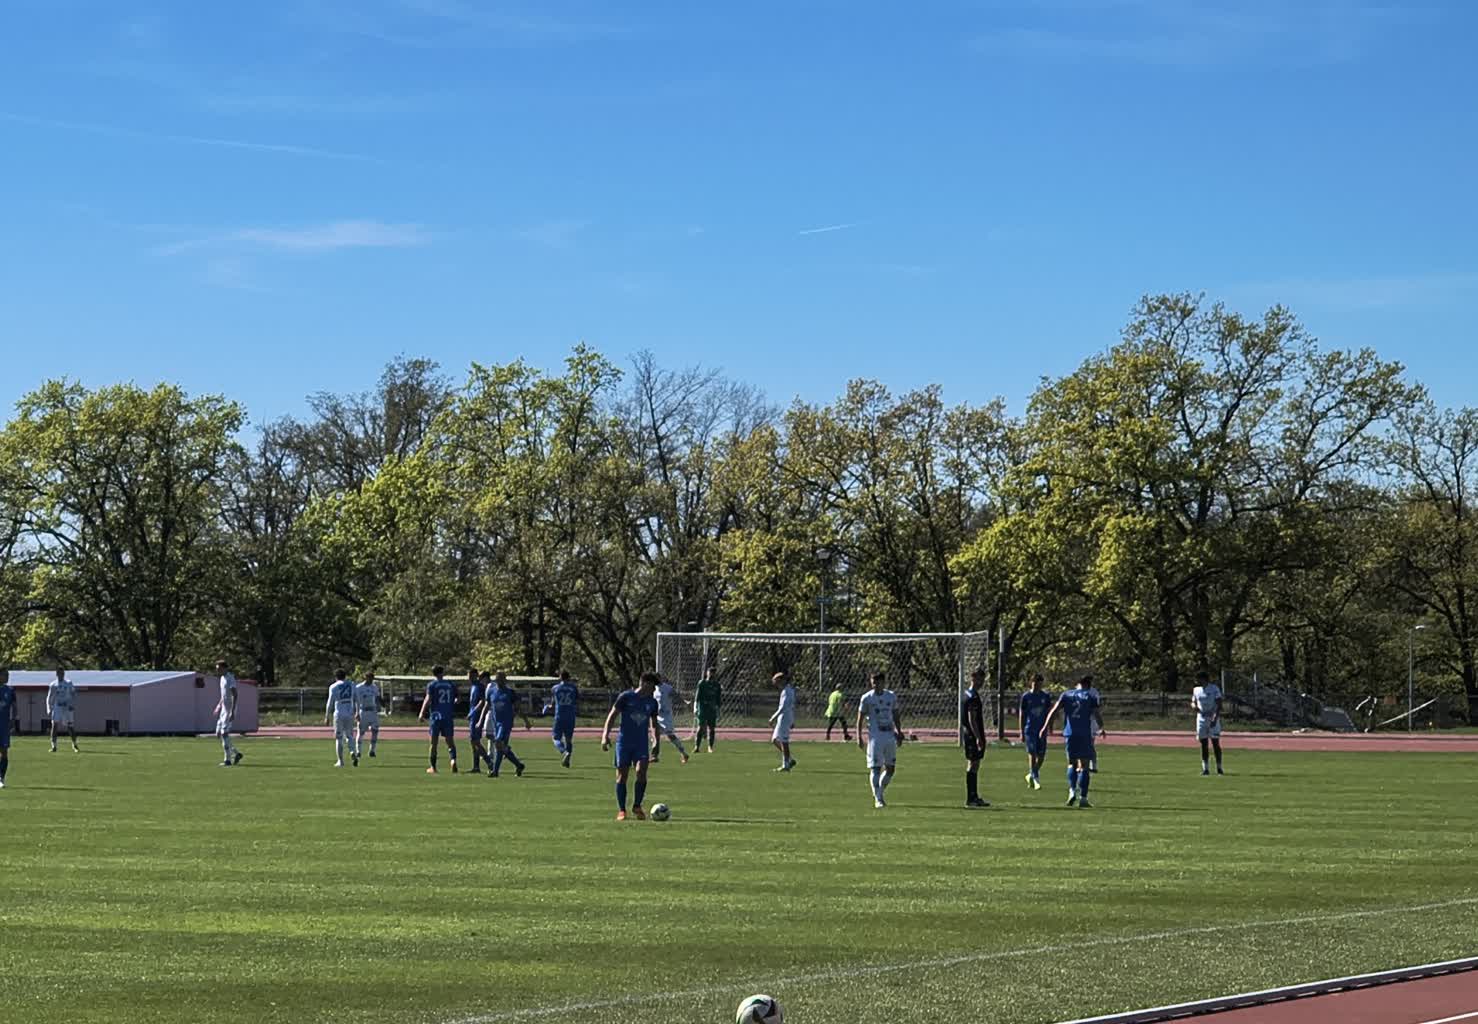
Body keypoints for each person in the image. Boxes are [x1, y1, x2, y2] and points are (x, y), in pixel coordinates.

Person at [600, 672, 660, 821]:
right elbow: (612, 715)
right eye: (654, 686)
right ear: (645, 683)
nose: (655, 690)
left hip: (641, 743)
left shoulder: (652, 703)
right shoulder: (626, 697)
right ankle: (622, 810)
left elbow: (654, 723)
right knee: (622, 775)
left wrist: (656, 741)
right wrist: (605, 736)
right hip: (624, 742)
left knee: (641, 771)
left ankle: (637, 806)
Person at [1041, 676, 1103, 808]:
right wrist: (1101, 727)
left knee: (1071, 764)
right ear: (1088, 685)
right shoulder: (1089, 696)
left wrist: (1045, 727)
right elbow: (1096, 714)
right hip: (1084, 733)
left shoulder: (1067, 695)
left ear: (1077, 684)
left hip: (1070, 733)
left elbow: (1053, 711)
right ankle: (1083, 798)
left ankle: (1071, 791)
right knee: (1085, 765)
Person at [856, 672, 902, 809]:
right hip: (875, 737)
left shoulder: (891, 696)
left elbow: (895, 714)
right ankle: (878, 798)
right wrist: (859, 736)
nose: (875, 684)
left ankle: (879, 793)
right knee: (876, 768)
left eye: (878, 682)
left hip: (889, 736)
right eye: (873, 682)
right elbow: (860, 718)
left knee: (891, 769)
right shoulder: (866, 698)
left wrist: (899, 732)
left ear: (883, 682)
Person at [480, 671, 532, 778]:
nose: (500, 681)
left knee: (498, 743)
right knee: (501, 747)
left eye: (502, 679)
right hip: (496, 723)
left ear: (505, 680)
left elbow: (518, 708)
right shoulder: (491, 692)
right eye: (498, 679)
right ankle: (518, 765)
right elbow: (487, 706)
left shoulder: (510, 693)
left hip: (506, 723)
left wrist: (526, 721)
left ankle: (495, 771)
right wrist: (480, 721)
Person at [417, 665, 458, 774]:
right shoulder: (450, 684)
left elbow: (428, 699)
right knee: (450, 742)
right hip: (448, 716)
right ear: (442, 672)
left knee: (433, 743)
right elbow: (457, 699)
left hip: (436, 717)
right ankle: (453, 760)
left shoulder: (432, 685)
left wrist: (421, 713)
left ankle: (433, 767)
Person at [1019, 673, 1053, 789]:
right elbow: (1022, 714)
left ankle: (1031, 775)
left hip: (1041, 730)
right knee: (1032, 753)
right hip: (1030, 729)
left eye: (1039, 683)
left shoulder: (1045, 697)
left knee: (1041, 756)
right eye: (1035, 682)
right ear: (1031, 683)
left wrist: (1050, 727)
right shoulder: (1026, 697)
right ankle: (1036, 777)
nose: (1037, 685)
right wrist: (1021, 731)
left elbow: (1049, 713)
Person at [961, 668, 989, 808]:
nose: (981, 682)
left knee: (974, 764)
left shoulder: (969, 694)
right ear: (973, 678)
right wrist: (978, 737)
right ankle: (971, 798)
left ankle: (973, 796)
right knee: (973, 764)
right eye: (979, 679)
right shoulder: (971, 696)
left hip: (971, 733)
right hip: (972, 734)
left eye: (983, 679)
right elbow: (972, 719)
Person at [1191, 669, 1225, 776]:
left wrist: (1215, 718)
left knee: (1215, 743)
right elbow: (1193, 701)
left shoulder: (1214, 688)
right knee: (1203, 743)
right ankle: (1205, 769)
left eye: (1198, 679)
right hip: (1201, 718)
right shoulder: (1196, 690)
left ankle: (1219, 768)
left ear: (1203, 679)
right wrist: (1194, 706)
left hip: (1212, 717)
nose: (1197, 681)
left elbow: (1219, 704)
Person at [651, 676, 689, 764]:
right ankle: (654, 756)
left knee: (670, 736)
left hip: (666, 716)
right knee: (655, 735)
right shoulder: (654, 689)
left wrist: (684, 701)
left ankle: (683, 753)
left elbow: (676, 695)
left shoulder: (667, 688)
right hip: (657, 716)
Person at [213, 660, 244, 767]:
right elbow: (224, 695)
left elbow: (235, 695)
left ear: (225, 668)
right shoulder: (221, 679)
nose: (217, 671)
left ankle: (227, 760)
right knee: (218, 733)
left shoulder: (230, 678)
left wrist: (232, 712)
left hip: (229, 709)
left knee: (224, 734)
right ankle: (236, 753)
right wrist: (218, 705)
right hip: (223, 709)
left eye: (219, 669)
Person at [325, 669, 357, 767]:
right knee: (349, 735)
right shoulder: (351, 684)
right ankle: (352, 752)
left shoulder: (333, 686)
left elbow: (330, 702)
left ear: (336, 677)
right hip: (349, 712)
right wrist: (356, 711)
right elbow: (356, 698)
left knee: (339, 738)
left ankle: (340, 761)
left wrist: (327, 715)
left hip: (339, 713)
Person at [547, 669, 579, 767]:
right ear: (569, 677)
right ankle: (567, 760)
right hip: (570, 716)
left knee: (556, 738)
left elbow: (552, 704)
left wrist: (547, 707)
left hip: (559, 715)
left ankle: (564, 752)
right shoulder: (574, 688)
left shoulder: (555, 688)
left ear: (560, 677)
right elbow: (576, 700)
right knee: (568, 739)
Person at [768, 671, 797, 772]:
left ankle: (785, 765)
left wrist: (772, 717)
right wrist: (792, 720)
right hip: (785, 717)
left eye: (776, 682)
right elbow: (791, 707)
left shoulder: (787, 691)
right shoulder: (788, 690)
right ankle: (789, 759)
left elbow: (783, 707)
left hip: (784, 718)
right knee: (775, 740)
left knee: (784, 742)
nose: (776, 685)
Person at [47, 667, 79, 753]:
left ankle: (75, 745)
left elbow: (73, 694)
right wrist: (49, 708)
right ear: (57, 674)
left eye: (63, 673)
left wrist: (72, 704)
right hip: (57, 706)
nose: (61, 675)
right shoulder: (53, 684)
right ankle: (54, 746)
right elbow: (49, 697)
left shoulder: (68, 683)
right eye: (59, 673)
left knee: (70, 726)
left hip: (67, 707)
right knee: (54, 725)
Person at [691, 667, 721, 753]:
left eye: (713, 673)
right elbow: (697, 696)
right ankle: (697, 747)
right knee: (700, 727)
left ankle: (710, 747)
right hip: (703, 707)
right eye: (710, 672)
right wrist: (695, 707)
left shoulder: (717, 685)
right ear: (707, 673)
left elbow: (718, 698)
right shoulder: (702, 683)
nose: (711, 674)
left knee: (712, 728)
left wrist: (718, 709)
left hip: (712, 708)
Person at [354, 671, 382, 759]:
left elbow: (377, 698)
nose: (371, 680)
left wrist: (381, 706)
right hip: (363, 711)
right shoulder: (359, 688)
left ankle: (372, 750)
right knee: (361, 732)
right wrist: (357, 712)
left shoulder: (374, 687)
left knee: (375, 731)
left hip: (373, 711)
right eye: (369, 678)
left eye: (372, 679)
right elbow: (356, 701)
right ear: (365, 678)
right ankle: (358, 751)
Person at [467, 669, 489, 774]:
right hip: (472, 717)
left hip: (476, 717)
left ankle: (489, 762)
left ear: (476, 676)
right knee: (473, 742)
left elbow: (482, 701)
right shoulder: (473, 687)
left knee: (475, 741)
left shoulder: (479, 686)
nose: (469, 678)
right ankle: (476, 766)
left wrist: (473, 712)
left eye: (471, 676)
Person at [0, 668, 15, 789]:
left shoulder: (10, 690)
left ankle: (1, 778)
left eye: (8, 675)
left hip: (4, 726)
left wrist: (13, 720)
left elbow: (15, 706)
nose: (7, 677)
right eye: (5, 675)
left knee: (4, 752)